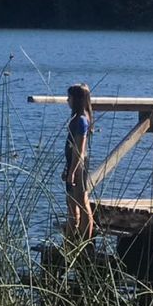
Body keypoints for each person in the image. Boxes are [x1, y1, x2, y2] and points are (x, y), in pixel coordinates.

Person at [63, 83, 95, 240]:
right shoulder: (76, 118)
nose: (67, 100)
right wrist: (67, 168)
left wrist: (72, 172)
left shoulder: (82, 120)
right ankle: (71, 239)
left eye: (69, 97)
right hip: (72, 164)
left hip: (78, 166)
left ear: (76, 100)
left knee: (82, 203)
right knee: (71, 203)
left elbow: (79, 150)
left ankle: (85, 242)